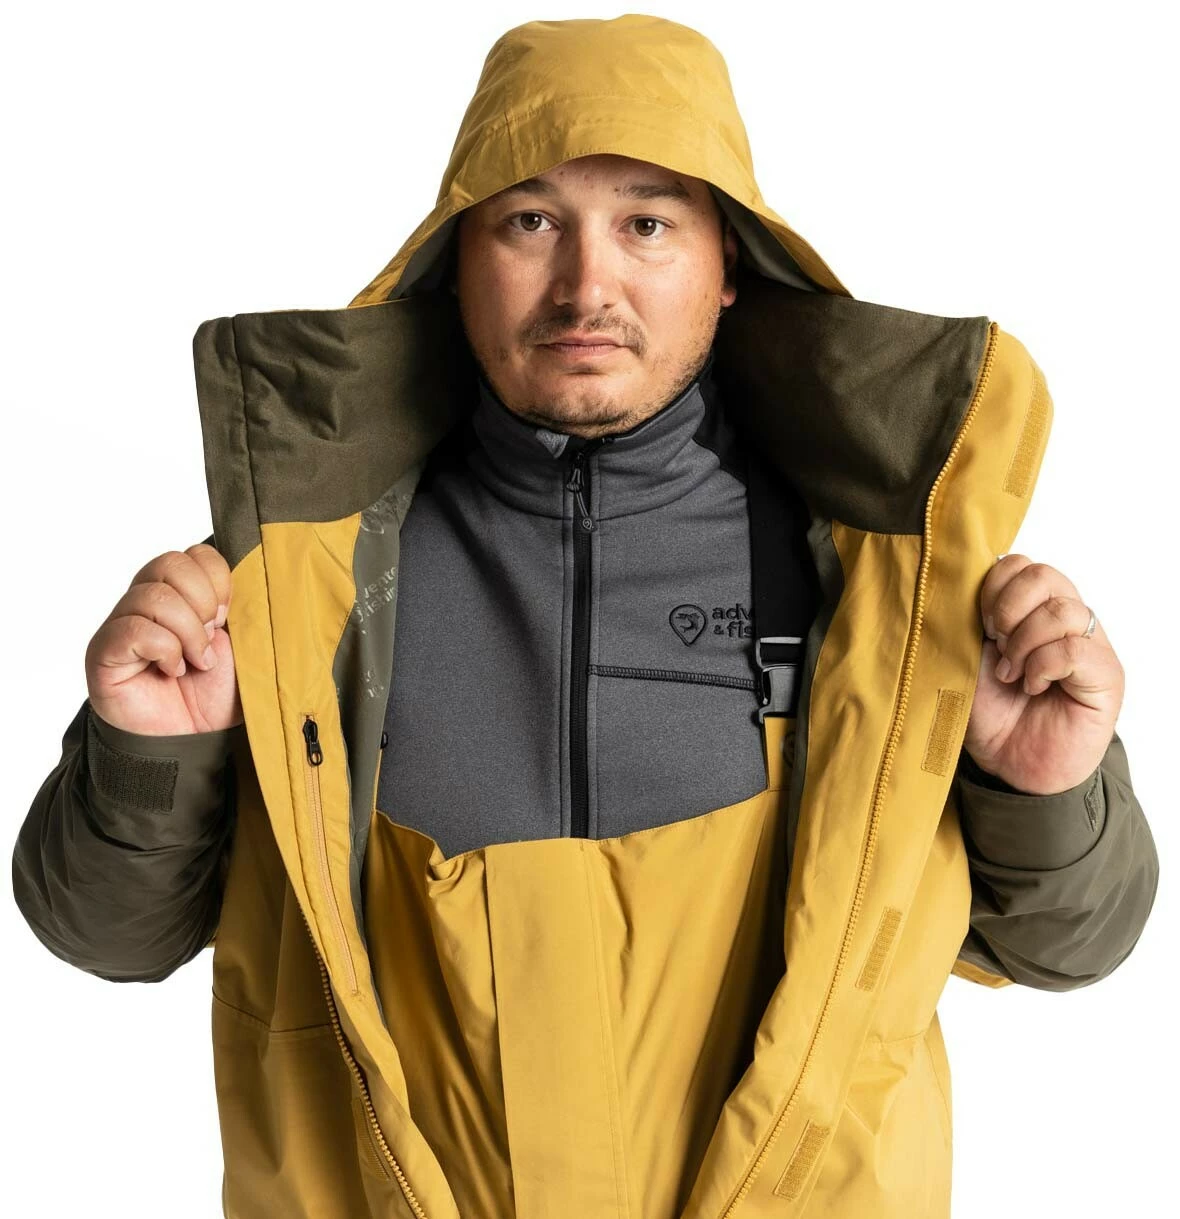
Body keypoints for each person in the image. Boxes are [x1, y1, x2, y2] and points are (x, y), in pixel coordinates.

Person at [11, 14, 1159, 1219]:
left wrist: (1042, 786)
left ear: (727, 264)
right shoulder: (310, 580)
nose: (585, 286)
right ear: (455, 262)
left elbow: (1069, 945)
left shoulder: (881, 581)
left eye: (646, 223)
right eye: (529, 221)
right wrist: (149, 750)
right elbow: (106, 934)